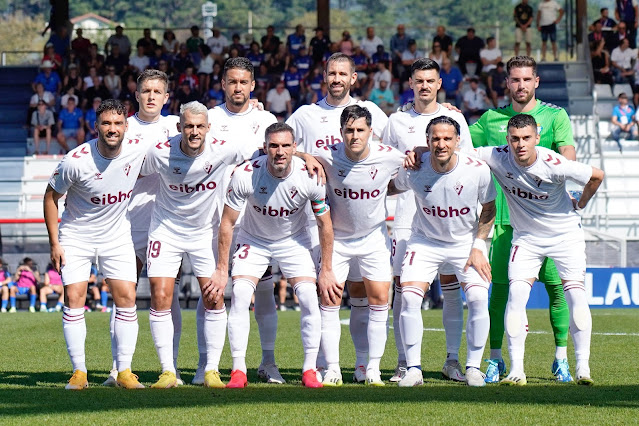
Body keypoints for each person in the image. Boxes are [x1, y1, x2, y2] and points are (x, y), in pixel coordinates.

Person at [473, 113, 603, 386]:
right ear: (507, 139)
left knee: (575, 295)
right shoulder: (496, 155)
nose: (520, 144)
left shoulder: (554, 163)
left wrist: (580, 203)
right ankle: (517, 370)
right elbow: (459, 152)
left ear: (537, 138)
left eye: (526, 138)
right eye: (515, 139)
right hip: (527, 238)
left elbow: (596, 176)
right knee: (516, 295)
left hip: (565, 236)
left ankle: (583, 368)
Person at [470, 56, 577, 384]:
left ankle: (561, 359)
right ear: (507, 83)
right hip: (505, 219)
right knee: (500, 291)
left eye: (526, 79)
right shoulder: (490, 120)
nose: (521, 85)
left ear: (536, 82)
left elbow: (568, 155)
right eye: (515, 80)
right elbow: (461, 145)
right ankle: (496, 359)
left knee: (558, 288)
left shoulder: (555, 116)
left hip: (548, 220)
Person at [207, 122, 336, 389]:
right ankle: (238, 370)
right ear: (264, 148)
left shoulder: (310, 176)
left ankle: (309, 369)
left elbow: (325, 224)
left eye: (285, 146)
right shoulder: (245, 174)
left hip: (294, 241)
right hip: (254, 240)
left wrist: (327, 269)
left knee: (310, 298)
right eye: (274, 146)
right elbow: (227, 223)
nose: (279, 152)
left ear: (294, 148)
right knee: (241, 295)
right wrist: (221, 269)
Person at [286, 52, 388, 382]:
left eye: (343, 73)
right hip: (321, 222)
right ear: (323, 75)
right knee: (326, 295)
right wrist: (305, 155)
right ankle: (321, 366)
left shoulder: (371, 113)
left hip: (366, 222)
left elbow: (394, 150)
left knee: (362, 295)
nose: (336, 78)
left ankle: (362, 365)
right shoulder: (305, 114)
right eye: (331, 72)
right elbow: (279, 144)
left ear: (354, 78)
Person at [140, 101, 252, 389]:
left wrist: (304, 156)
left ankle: (211, 370)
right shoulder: (160, 152)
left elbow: (262, 152)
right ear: (179, 127)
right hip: (166, 231)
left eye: (200, 126)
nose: (194, 131)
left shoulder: (224, 148)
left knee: (214, 297)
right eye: (188, 126)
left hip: (205, 233)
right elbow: (130, 172)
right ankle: (168, 371)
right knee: (160, 295)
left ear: (208, 128)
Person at [382, 58, 474, 383]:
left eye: (430, 80)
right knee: (403, 289)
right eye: (419, 80)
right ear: (410, 83)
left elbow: (470, 162)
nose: (424, 86)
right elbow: (383, 163)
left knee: (451, 290)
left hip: (449, 220)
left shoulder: (454, 118)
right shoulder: (395, 121)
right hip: (408, 217)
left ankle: (452, 360)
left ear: (439, 84)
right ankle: (405, 363)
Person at [44, 99, 146, 390]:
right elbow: (50, 198)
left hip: (116, 236)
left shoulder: (137, 151)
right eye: (106, 123)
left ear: (125, 126)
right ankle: (79, 373)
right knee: (75, 296)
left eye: (117, 123)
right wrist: (54, 242)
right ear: (96, 126)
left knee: (126, 297)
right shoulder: (76, 160)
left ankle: (124, 372)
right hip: (77, 236)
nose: (111, 129)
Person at [392, 116, 496, 387]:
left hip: (465, 244)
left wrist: (478, 246)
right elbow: (388, 187)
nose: (441, 144)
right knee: (410, 299)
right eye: (435, 139)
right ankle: (413, 369)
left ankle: (473, 367)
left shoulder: (477, 170)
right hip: (425, 242)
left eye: (447, 138)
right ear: (426, 141)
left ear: (458, 141)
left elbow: (488, 208)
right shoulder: (414, 168)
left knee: (476, 297)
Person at [199, 57, 280, 385]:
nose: (237, 88)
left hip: (257, 222)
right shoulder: (209, 118)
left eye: (243, 82)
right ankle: (208, 365)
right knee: (212, 292)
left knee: (264, 291)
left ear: (252, 85)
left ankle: (268, 362)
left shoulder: (266, 119)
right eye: (232, 82)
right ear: (223, 84)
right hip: (217, 218)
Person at [100, 69, 181, 388]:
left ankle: (169, 368)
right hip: (126, 223)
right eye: (145, 90)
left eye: (157, 91)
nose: (150, 96)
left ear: (166, 96)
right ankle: (118, 369)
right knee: (124, 295)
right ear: (136, 95)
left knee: (167, 297)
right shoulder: (123, 126)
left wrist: (257, 109)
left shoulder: (177, 126)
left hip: (165, 223)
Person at [313, 105, 404, 387]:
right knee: (329, 302)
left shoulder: (388, 157)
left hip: (373, 238)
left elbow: (416, 160)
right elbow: (292, 153)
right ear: (340, 133)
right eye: (349, 130)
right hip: (336, 240)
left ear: (370, 132)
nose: (355, 135)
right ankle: (332, 369)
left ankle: (371, 368)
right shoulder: (327, 156)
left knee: (379, 301)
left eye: (360, 130)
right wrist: (306, 157)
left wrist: (423, 152)